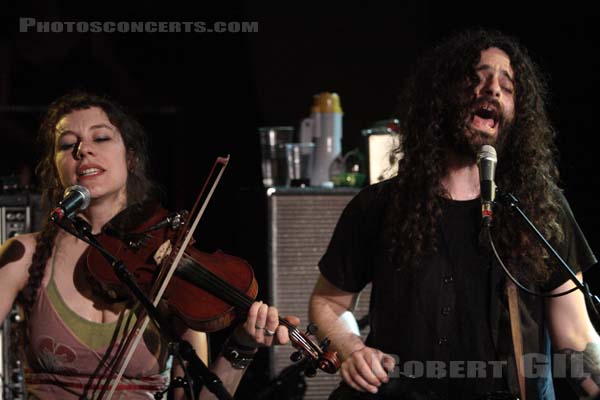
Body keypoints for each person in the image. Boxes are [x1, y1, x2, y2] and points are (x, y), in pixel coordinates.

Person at [309, 29, 600, 400]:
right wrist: (352, 348)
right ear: (441, 96)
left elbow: (576, 336)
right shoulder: (379, 205)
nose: (492, 89)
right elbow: (328, 302)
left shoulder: (541, 210)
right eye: (475, 78)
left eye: (507, 87)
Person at [0, 91, 296, 399]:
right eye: (66, 144)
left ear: (130, 157)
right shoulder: (23, 255)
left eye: (100, 138)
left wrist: (241, 346)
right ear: (55, 165)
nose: (83, 149)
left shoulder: (168, 263)